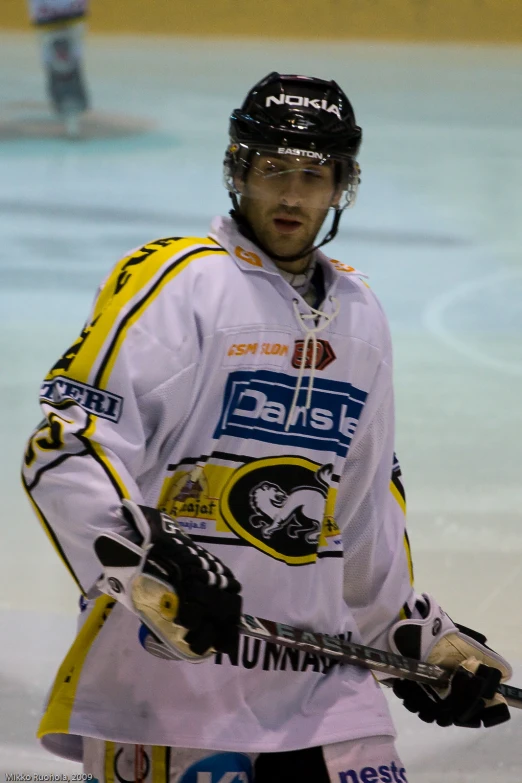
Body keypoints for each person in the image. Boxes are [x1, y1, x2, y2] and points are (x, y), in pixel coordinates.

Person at [22, 72, 512, 782]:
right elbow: (66, 448)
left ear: (341, 185)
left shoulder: (361, 313)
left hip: (325, 691)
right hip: (173, 686)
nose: (290, 195)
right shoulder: (181, 282)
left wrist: (412, 635)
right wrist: (148, 556)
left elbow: (364, 504)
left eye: (313, 175)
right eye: (273, 169)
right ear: (238, 170)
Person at [28, 0, 89, 135]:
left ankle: (70, 104)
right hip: (51, 24)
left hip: (66, 22)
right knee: (58, 64)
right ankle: (66, 103)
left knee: (68, 63)